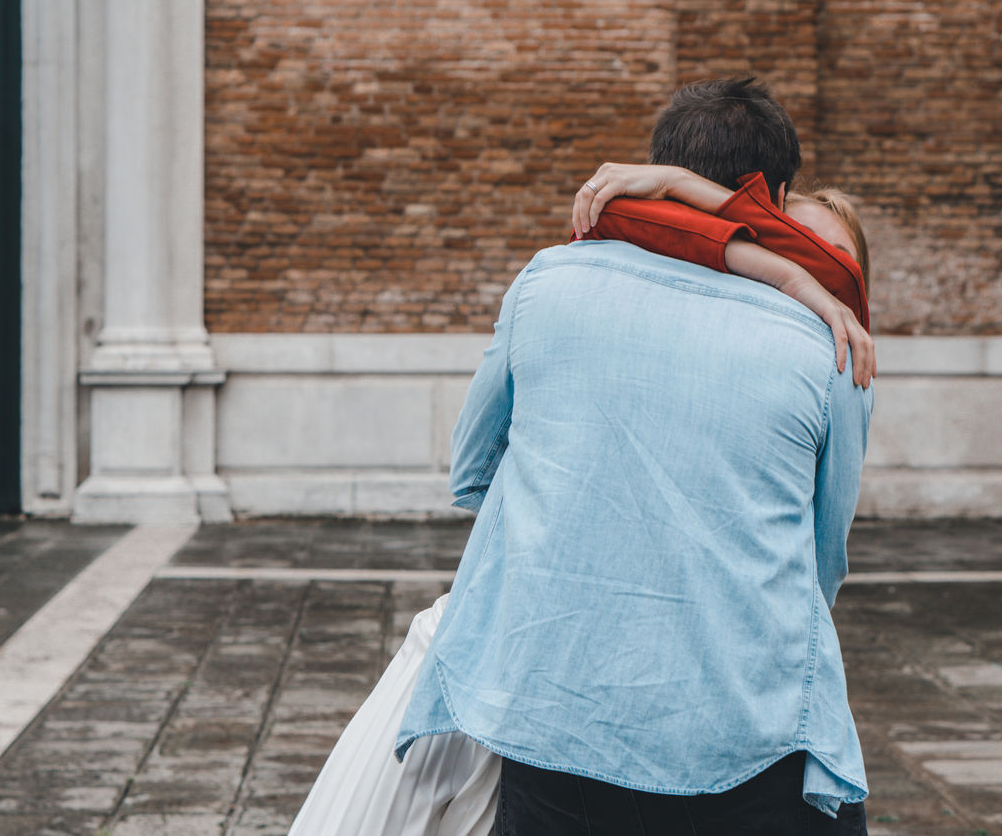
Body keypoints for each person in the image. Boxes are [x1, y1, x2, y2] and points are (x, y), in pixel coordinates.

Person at [288, 77, 873, 836]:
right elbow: (820, 564)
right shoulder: (833, 343)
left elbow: (471, 470)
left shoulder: (547, 282)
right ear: (780, 197)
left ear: (660, 166)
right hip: (746, 743)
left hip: (558, 725)